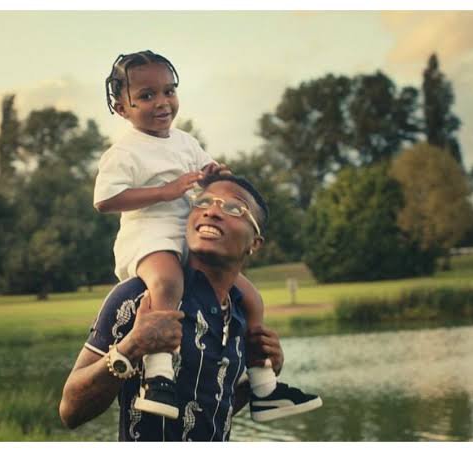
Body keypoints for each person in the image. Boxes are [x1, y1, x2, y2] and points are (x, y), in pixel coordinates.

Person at [93, 50, 321, 420]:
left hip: (187, 238)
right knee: (167, 284)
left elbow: (208, 178)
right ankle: (159, 378)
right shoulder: (125, 152)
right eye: (147, 96)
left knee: (251, 297)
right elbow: (105, 199)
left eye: (169, 91)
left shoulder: (184, 141)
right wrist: (165, 191)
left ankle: (264, 385)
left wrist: (216, 172)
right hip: (152, 240)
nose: (162, 103)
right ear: (122, 108)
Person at [60, 174, 321, 440]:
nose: (212, 211)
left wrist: (262, 377)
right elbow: (70, 412)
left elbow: (211, 411)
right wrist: (132, 347)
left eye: (234, 208)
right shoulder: (140, 296)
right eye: (204, 202)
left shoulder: (241, 315)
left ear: (254, 243)